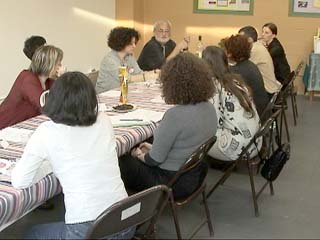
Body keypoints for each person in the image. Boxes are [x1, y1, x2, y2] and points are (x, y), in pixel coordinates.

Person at [11, 72, 134, 239]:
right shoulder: (103, 121)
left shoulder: (47, 132)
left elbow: (20, 181)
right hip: (126, 220)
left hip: (88, 230)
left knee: (31, 234)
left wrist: (49, 167)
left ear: (54, 99)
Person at [119, 52, 217, 199]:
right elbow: (183, 145)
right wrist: (152, 148)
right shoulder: (209, 108)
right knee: (147, 143)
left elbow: (154, 160)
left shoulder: (175, 115)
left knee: (121, 159)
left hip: (170, 183)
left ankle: (126, 210)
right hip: (195, 175)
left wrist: (138, 155)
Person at [202, 45, 261, 161]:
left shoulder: (215, 88)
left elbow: (213, 123)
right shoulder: (236, 80)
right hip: (255, 142)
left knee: (192, 135)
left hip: (237, 148)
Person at [0, 45, 63, 130]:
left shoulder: (49, 80)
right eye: (58, 64)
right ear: (48, 64)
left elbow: (64, 99)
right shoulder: (27, 78)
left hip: (22, 126)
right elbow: (46, 107)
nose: (60, 67)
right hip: (6, 127)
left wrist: (62, 79)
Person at [218, 35, 269, 120]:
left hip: (254, 115)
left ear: (230, 53)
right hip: (261, 110)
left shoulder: (237, 72)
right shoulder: (249, 65)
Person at [96, 27, 150, 93]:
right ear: (121, 43)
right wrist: (146, 76)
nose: (134, 46)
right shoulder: (109, 60)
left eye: (135, 43)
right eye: (131, 43)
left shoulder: (129, 57)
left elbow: (138, 73)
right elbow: (126, 79)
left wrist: (153, 73)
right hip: (105, 96)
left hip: (122, 93)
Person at [238, 26, 282, 97]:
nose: (238, 41)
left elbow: (242, 68)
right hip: (270, 86)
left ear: (249, 40)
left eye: (240, 39)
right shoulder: (257, 45)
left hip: (267, 91)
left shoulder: (254, 50)